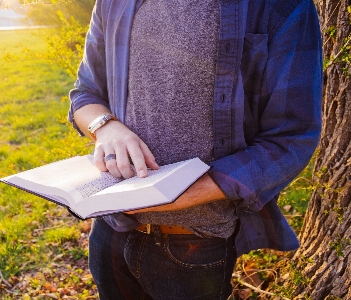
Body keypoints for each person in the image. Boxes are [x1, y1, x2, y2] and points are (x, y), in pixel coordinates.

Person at [68, 0, 322, 299]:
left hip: (194, 246)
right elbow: (85, 93)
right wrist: (106, 127)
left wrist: (177, 195)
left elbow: (290, 138)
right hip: (110, 229)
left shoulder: (280, 5)